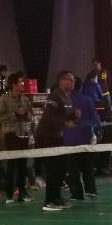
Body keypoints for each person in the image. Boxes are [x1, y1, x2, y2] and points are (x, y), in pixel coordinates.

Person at [34, 70, 77, 212]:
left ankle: (57, 197)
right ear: (62, 81)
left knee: (61, 168)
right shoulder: (54, 95)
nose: (73, 82)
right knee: (53, 170)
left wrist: (74, 116)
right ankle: (49, 201)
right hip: (45, 137)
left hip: (57, 137)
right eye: (70, 79)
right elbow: (49, 116)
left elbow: (64, 117)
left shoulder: (68, 98)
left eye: (73, 80)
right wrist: (65, 123)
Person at [0, 72, 35, 205]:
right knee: (11, 166)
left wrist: (25, 114)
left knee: (22, 166)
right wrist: (15, 114)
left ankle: (22, 193)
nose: (22, 84)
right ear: (13, 84)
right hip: (11, 135)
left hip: (24, 134)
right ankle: (9, 194)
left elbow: (32, 115)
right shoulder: (4, 98)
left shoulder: (25, 99)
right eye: (20, 82)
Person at [65, 82, 100, 200]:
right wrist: (81, 123)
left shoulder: (65, 101)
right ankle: (91, 190)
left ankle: (77, 194)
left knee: (73, 169)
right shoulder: (88, 100)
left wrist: (75, 123)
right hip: (86, 140)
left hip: (69, 141)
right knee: (87, 167)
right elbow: (95, 122)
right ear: (81, 87)